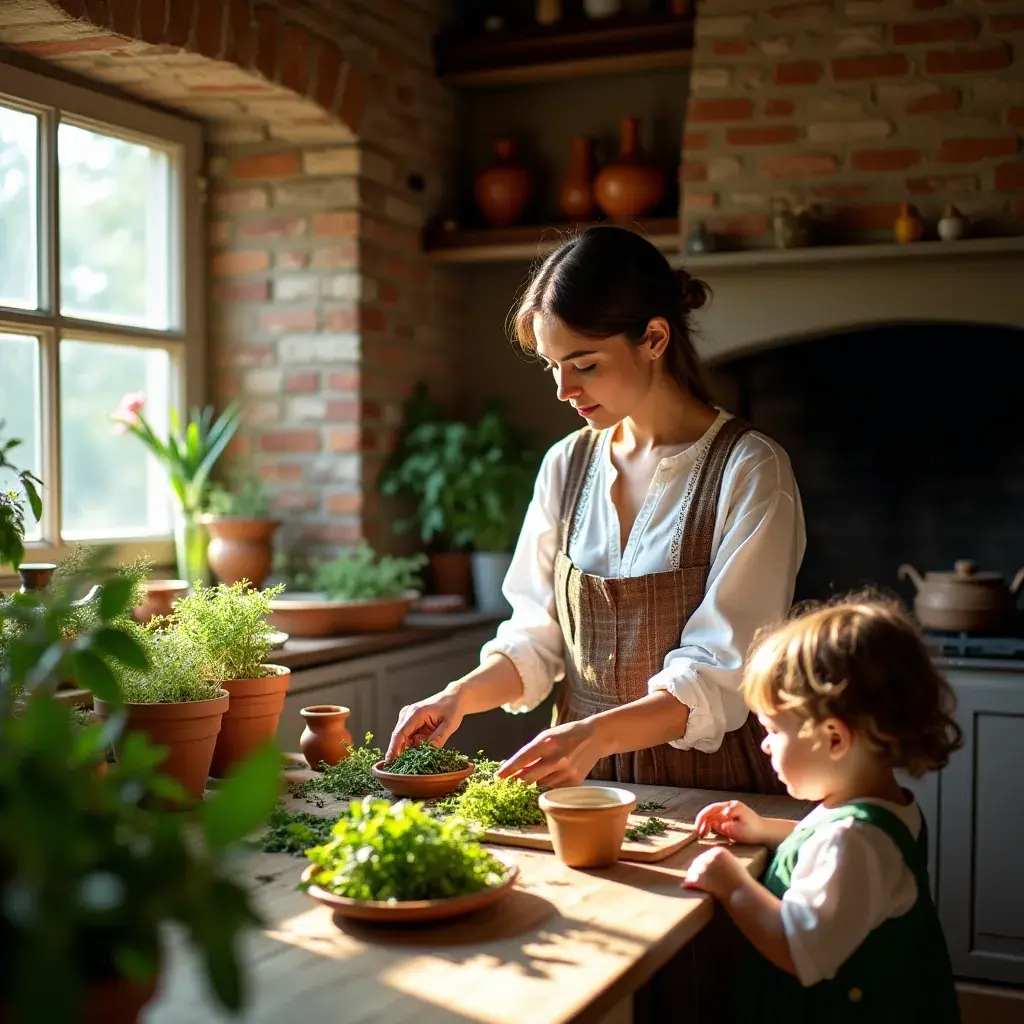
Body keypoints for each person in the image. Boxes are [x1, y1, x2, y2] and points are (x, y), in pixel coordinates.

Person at [387, 223, 806, 797]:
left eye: (584, 365)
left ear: (654, 339)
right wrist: (459, 695)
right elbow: (536, 640)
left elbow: (721, 675)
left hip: (710, 790)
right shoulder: (566, 465)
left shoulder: (751, 470)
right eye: (552, 366)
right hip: (581, 788)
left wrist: (593, 736)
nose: (563, 390)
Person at [683, 595, 963, 1023]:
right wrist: (763, 830)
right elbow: (826, 844)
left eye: (774, 730)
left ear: (833, 738)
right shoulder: (880, 810)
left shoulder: (854, 842)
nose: (765, 744)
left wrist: (731, 882)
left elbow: (797, 949)